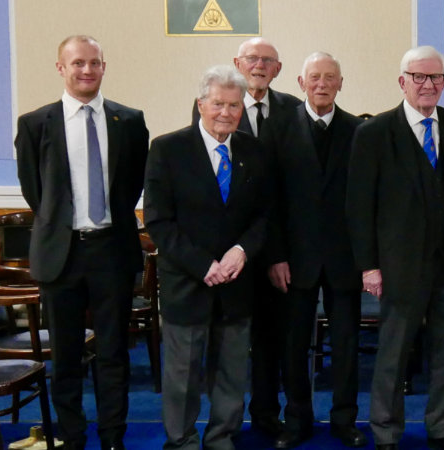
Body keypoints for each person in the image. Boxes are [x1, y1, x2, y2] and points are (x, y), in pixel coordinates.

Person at [14, 35, 148, 450]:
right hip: (61, 254)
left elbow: (132, 186)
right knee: (66, 358)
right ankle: (72, 439)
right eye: (77, 64)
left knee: (113, 355)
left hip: (113, 250)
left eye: (94, 63)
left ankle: (112, 439)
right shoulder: (35, 124)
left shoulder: (129, 120)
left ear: (104, 66)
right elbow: (35, 192)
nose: (86, 70)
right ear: (61, 68)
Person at [346, 45, 444, 450]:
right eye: (419, 77)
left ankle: (442, 428)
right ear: (402, 81)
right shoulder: (374, 133)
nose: (428, 85)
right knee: (393, 354)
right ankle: (385, 431)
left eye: (436, 77)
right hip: (398, 267)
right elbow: (359, 207)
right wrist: (369, 266)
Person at [145, 64, 273, 450]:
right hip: (188, 282)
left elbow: (265, 215)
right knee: (183, 373)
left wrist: (242, 251)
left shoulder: (254, 150)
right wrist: (203, 265)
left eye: (235, 106)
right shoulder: (168, 149)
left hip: (237, 282)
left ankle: (222, 437)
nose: (227, 113)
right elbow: (159, 221)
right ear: (201, 104)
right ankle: (181, 440)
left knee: (232, 371)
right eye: (218, 103)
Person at [263, 51, 367, 448]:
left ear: (341, 83)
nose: (322, 84)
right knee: (292, 346)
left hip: (345, 260)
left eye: (330, 77)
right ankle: (297, 419)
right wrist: (274, 255)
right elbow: (268, 201)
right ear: (300, 84)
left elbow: (365, 201)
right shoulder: (278, 128)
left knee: (345, 345)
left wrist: (366, 259)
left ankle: (344, 420)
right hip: (293, 260)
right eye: (314, 77)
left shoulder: (359, 130)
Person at [219, 38, 302, 438]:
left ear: (278, 69)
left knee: (272, 340)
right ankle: (227, 421)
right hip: (229, 253)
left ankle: (267, 416)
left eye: (268, 60)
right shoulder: (217, 105)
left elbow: (288, 193)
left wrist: (277, 253)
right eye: (252, 58)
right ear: (237, 63)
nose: (259, 65)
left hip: (276, 247)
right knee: (231, 342)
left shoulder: (291, 110)